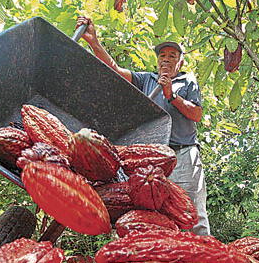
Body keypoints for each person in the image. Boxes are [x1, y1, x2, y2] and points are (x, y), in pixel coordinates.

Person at [76, 16, 210, 236]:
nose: (166, 59)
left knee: (193, 214)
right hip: (152, 160)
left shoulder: (188, 81)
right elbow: (114, 69)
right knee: (152, 214)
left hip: (183, 155)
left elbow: (196, 114)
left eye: (173, 56)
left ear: (181, 62)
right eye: (163, 55)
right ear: (157, 60)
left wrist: (172, 95)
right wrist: (94, 42)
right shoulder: (146, 79)